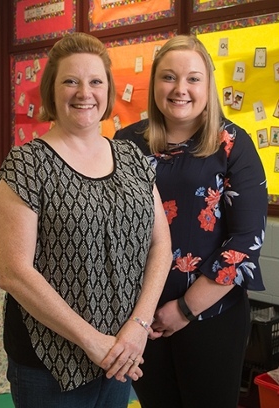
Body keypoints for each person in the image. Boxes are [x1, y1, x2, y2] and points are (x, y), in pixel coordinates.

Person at [0, 32, 172, 408]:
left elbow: (161, 245)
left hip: (120, 352)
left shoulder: (132, 158)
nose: (84, 92)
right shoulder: (27, 165)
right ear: (51, 90)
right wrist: (93, 341)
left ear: (108, 91)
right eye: (70, 80)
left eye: (95, 81)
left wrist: (137, 328)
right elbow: (14, 272)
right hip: (47, 362)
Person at [114, 34, 268, 408]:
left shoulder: (232, 143)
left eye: (193, 79)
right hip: (141, 320)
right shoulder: (124, 143)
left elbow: (246, 242)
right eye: (168, 77)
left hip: (211, 314)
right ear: (154, 85)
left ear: (208, 85)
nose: (180, 89)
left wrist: (183, 309)